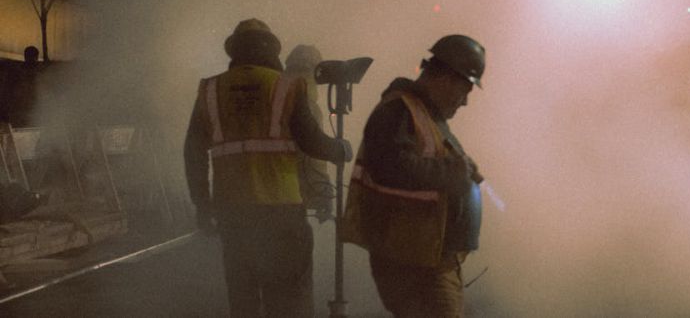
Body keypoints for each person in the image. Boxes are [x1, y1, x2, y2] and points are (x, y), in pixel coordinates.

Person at [184, 19, 352, 318]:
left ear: (234, 50)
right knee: (289, 301)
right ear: (272, 50)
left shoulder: (211, 90)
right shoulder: (286, 87)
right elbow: (311, 143)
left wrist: (202, 205)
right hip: (282, 213)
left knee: (245, 301)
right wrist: (339, 149)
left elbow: (193, 152)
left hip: (232, 214)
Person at [342, 34, 486, 318]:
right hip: (413, 265)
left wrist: (461, 167)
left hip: (428, 259)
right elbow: (390, 166)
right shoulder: (397, 111)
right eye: (465, 90)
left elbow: (424, 162)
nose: (465, 102)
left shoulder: (424, 114)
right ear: (446, 78)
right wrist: (452, 172)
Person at [283, 44, 335, 222]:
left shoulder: (274, 93)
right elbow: (312, 157)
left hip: (259, 192)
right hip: (291, 195)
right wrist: (323, 194)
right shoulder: (308, 104)